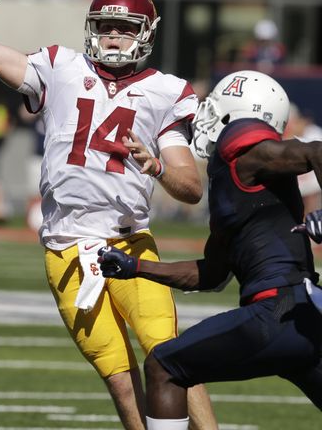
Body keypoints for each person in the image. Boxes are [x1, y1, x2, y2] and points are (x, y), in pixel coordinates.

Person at [0, 0, 218, 430]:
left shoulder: (166, 91)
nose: (114, 36)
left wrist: (155, 166)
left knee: (168, 353)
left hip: (129, 243)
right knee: (119, 378)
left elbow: (191, 188)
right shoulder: (60, 65)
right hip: (65, 251)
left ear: (147, 33)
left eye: (125, 28)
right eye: (106, 26)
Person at [98, 70, 322, 429]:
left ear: (236, 114)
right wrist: (136, 267)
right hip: (304, 319)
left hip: (276, 313)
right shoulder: (232, 180)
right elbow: (211, 274)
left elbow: (316, 150)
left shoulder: (248, 153)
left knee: (163, 366)